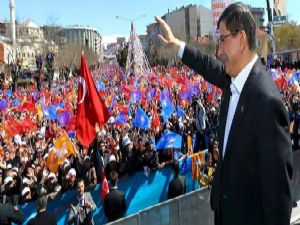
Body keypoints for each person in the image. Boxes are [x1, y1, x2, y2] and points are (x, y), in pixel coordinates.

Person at [155, 2, 293, 225]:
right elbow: (208, 65)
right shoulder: (234, 81)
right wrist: (177, 45)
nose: (219, 50)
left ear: (240, 40)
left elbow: (278, 198)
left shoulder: (267, 102)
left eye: (222, 40)